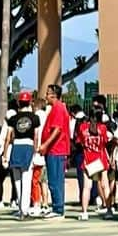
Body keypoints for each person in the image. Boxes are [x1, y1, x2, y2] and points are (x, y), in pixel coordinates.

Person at [38, 84, 71, 219]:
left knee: (54, 180)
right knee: (56, 180)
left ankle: (58, 208)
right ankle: (58, 207)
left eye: (47, 93)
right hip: (55, 150)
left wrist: (45, 145)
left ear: (53, 94)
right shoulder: (57, 108)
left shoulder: (58, 108)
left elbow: (57, 129)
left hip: (56, 150)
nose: (45, 96)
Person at [6, 90, 39, 218]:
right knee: (27, 178)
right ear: (30, 102)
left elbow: (9, 136)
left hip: (16, 146)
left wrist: (4, 154)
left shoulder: (13, 118)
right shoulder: (34, 118)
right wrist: (35, 150)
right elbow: (35, 136)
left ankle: (21, 208)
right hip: (28, 146)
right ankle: (24, 209)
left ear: (19, 103)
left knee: (17, 179)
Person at [76, 107, 113, 220]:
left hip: (88, 160)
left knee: (87, 187)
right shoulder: (103, 128)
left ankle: (85, 212)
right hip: (101, 159)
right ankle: (108, 210)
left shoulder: (82, 127)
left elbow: (80, 142)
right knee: (105, 185)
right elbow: (106, 141)